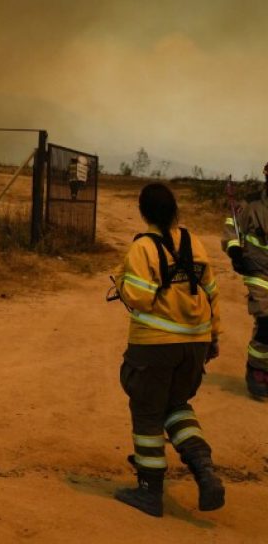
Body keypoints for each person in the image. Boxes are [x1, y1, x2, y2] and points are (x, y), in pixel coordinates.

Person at [111, 182, 224, 517]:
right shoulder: (194, 243)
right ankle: (204, 469)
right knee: (176, 404)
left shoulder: (142, 248)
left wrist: (120, 282)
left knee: (147, 411)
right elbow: (212, 293)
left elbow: (140, 297)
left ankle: (149, 490)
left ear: (143, 211)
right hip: (196, 342)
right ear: (174, 210)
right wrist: (214, 337)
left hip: (156, 345)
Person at [222, 162, 268, 400]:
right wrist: (235, 252)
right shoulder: (250, 205)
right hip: (257, 271)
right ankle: (257, 370)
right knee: (267, 321)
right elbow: (232, 227)